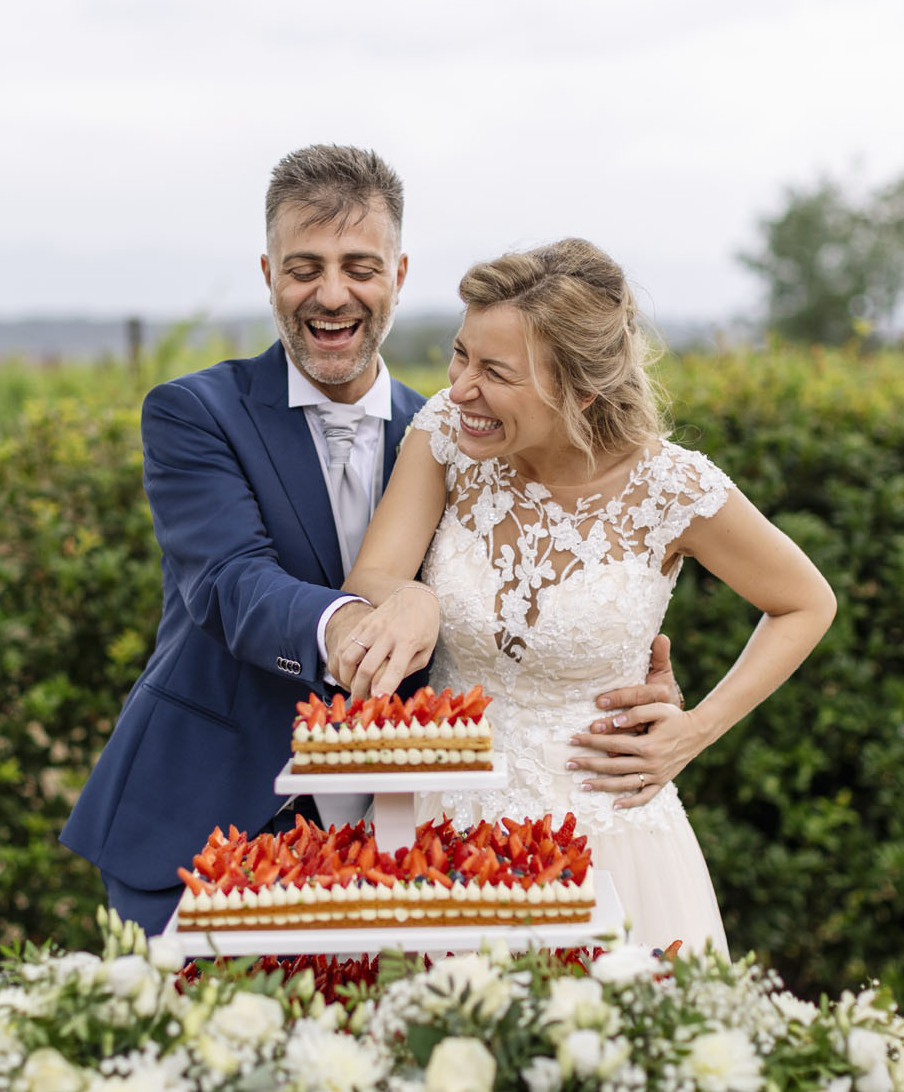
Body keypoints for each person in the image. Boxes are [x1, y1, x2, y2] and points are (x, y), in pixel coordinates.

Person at [60, 146, 684, 934]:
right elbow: (230, 582)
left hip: (419, 845)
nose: (331, 294)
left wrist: (626, 684)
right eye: (303, 267)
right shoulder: (193, 412)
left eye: (359, 266)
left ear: (399, 272)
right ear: (267, 273)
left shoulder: (466, 436)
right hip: (209, 826)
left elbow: (538, 594)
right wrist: (380, 616)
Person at [331, 239, 838, 955]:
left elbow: (805, 602)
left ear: (581, 390)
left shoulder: (673, 490)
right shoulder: (445, 436)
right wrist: (414, 599)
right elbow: (371, 582)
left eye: (495, 372)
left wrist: (696, 732)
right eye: (461, 353)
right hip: (440, 831)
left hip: (610, 837)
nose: (461, 385)